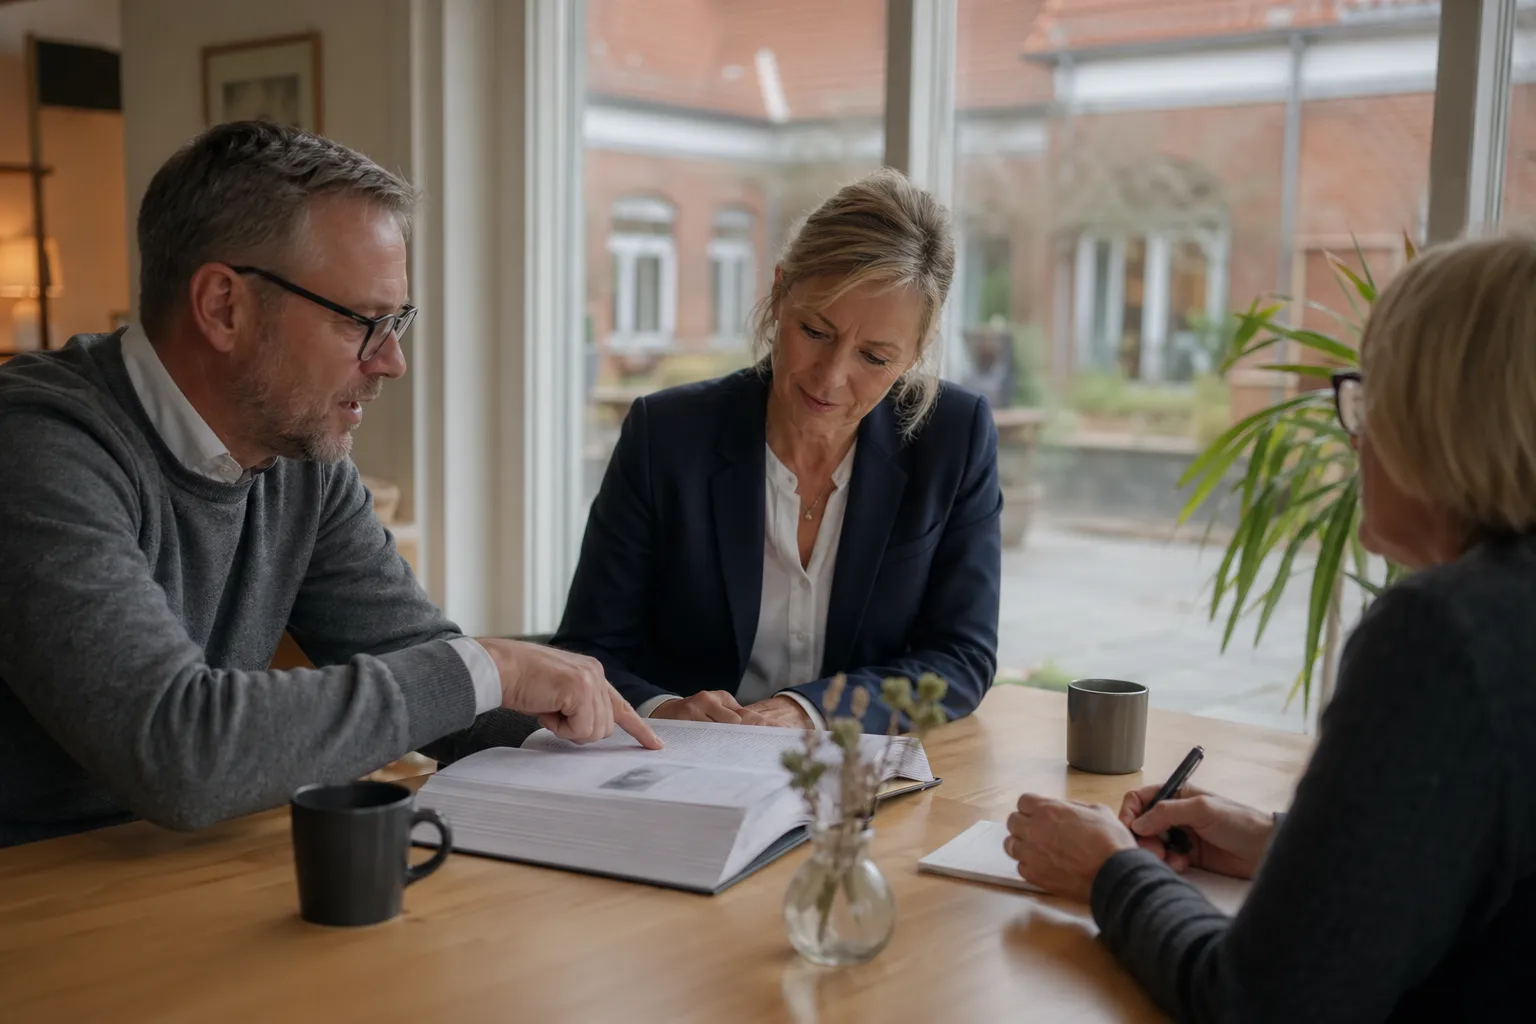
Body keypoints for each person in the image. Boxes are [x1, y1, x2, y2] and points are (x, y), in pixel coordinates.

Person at [0, 122, 658, 849]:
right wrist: (492, 665)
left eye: (396, 321)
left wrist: (639, 731)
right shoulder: (36, 447)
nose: (391, 362)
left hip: (186, 878)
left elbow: (428, 674)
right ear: (224, 307)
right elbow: (179, 749)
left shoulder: (302, 462)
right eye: (364, 322)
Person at [1002, 235, 1536, 1022]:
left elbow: (1260, 1002)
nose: (1355, 436)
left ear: (1434, 417)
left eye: (1367, 395)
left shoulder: (1444, 638)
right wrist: (1281, 843)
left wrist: (1110, 871)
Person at [553, 169, 1001, 732]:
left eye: (875, 357)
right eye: (814, 331)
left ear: (916, 352)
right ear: (780, 290)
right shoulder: (665, 435)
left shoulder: (954, 438)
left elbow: (962, 658)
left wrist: (806, 710)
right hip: (684, 767)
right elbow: (588, 649)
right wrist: (667, 710)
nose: (831, 378)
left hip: (857, 776)